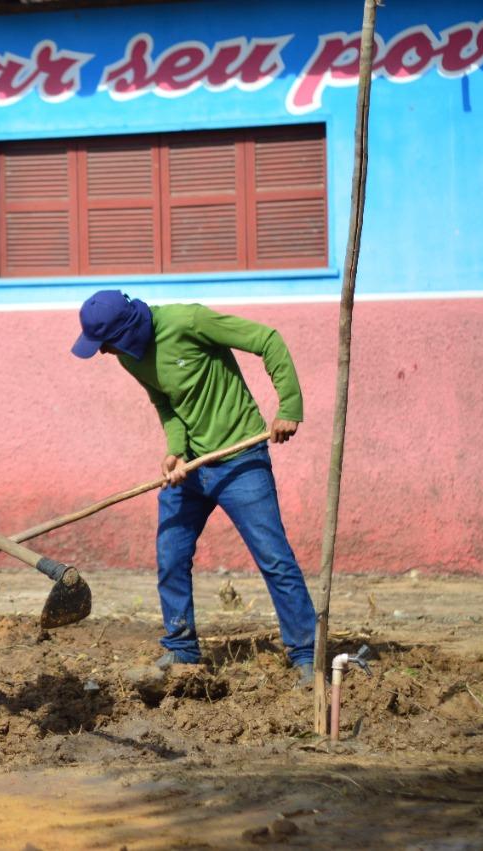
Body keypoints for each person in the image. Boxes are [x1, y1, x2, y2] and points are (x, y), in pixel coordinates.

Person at [71, 290, 316, 687]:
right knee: (171, 555)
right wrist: (175, 452)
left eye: (105, 345)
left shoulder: (188, 322)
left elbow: (267, 339)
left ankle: (306, 653)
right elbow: (167, 406)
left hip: (241, 461)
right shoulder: (130, 357)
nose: (103, 354)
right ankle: (182, 649)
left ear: (128, 330)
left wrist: (289, 407)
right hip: (192, 470)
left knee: (273, 558)